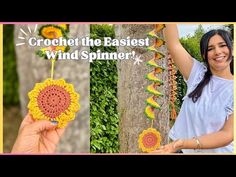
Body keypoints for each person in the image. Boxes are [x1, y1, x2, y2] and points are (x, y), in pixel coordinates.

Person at [153, 24, 234, 153]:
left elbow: (227, 134)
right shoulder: (197, 73)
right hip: (179, 150)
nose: (218, 52)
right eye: (210, 48)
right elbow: (174, 44)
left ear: (232, 49)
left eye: (222, 45)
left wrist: (184, 143)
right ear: (204, 55)